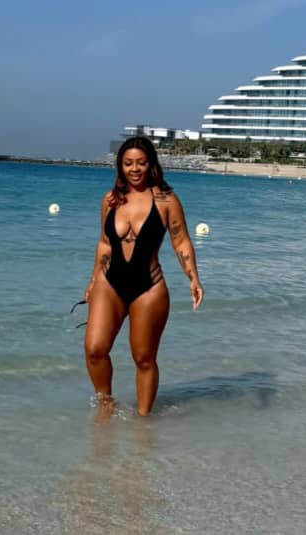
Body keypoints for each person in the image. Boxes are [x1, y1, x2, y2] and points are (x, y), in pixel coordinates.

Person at [83, 136, 204, 416]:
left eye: (141, 163)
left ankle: (143, 422)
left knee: (144, 358)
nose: (134, 169)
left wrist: (193, 278)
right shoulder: (111, 200)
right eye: (128, 163)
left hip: (148, 287)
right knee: (95, 349)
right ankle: (105, 405)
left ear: (151, 164)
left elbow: (181, 241)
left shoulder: (166, 200)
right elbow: (104, 243)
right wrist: (92, 280)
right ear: (120, 165)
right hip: (109, 283)